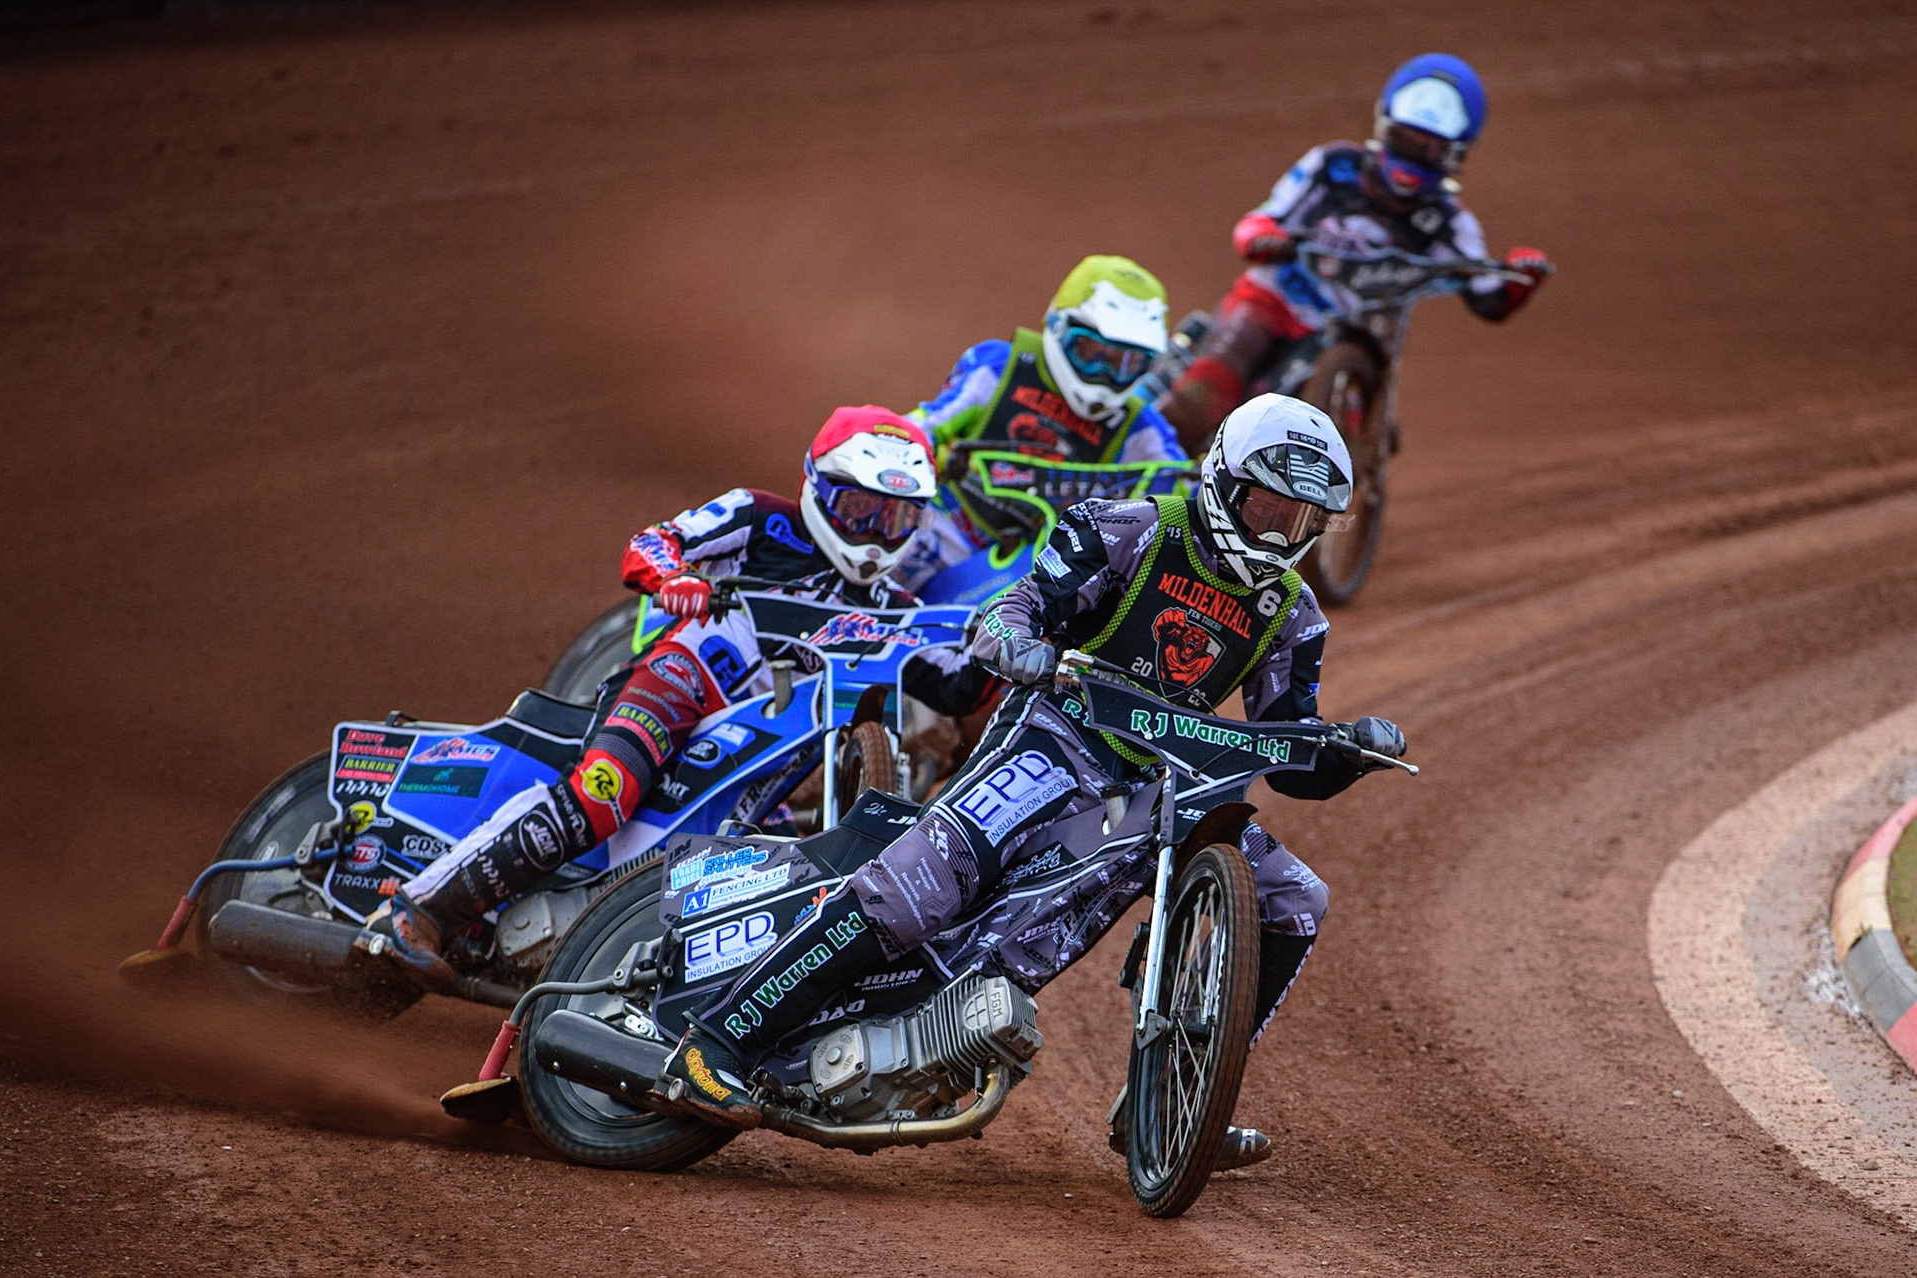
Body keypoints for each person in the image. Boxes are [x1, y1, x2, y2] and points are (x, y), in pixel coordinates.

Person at [657, 393, 1408, 1171]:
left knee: (1296, 901)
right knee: (918, 894)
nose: (1285, 534)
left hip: (1167, 783)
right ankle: (715, 1044)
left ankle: (1173, 1101)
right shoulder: (1129, 531)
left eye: (1306, 521)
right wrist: (1016, 640)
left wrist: (1346, 753)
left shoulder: (1293, 614)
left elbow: (1291, 757)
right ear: (1224, 478)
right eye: (1272, 509)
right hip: (1056, 738)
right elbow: (1014, 608)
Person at [356, 405, 981, 989]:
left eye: (895, 518)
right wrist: (674, 580)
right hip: (681, 685)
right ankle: (418, 912)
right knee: (603, 796)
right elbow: (652, 543)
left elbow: (960, 684)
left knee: (775, 883)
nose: (875, 535)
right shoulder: (761, 518)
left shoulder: (896, 612)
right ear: (817, 486)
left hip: (759, 762)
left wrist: (1023, 643)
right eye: (859, 510)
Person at [1156, 53, 1552, 447]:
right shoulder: (1332, 166)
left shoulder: (1450, 223)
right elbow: (1265, 216)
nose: (1411, 158)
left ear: (1455, 153)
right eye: (1405, 139)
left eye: (1429, 148)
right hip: (1274, 298)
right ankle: (1158, 454)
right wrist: (1261, 237)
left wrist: (1521, 276)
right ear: (1384, 127)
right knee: (1209, 388)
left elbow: (1488, 298)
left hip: (1363, 329)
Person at [894, 255, 1190, 595]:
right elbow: (922, 425)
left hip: (1031, 575)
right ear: (1059, 326)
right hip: (936, 531)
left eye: (1128, 364)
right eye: (1092, 354)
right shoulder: (1000, 367)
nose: (1106, 376)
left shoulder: (1141, 427)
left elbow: (1184, 494)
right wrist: (927, 450)